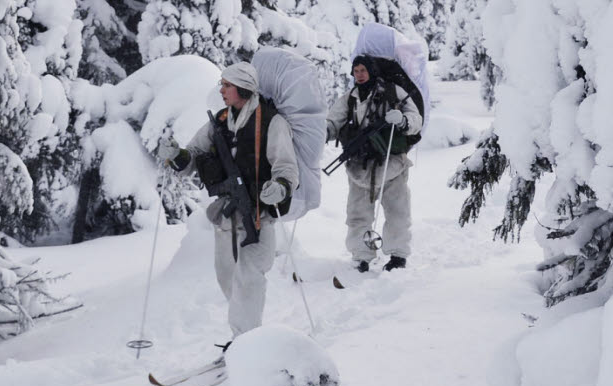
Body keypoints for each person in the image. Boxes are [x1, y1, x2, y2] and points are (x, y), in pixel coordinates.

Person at [157, 62, 299, 340]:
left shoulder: (271, 122)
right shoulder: (220, 121)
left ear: (243, 88)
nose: (221, 90)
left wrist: (280, 187)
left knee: (250, 276)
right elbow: (194, 156)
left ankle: (245, 338)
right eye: (221, 84)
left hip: (260, 212)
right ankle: (245, 332)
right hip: (226, 211)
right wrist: (176, 154)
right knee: (226, 275)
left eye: (227, 85)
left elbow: (286, 166)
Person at [326, 55, 422, 273]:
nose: (359, 75)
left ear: (372, 71)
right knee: (358, 215)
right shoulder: (349, 98)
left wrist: (403, 120)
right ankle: (362, 256)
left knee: (397, 212)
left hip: (392, 164)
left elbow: (416, 120)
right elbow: (333, 121)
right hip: (359, 167)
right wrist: (323, 132)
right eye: (356, 70)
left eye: (363, 70)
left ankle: (397, 255)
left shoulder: (393, 92)